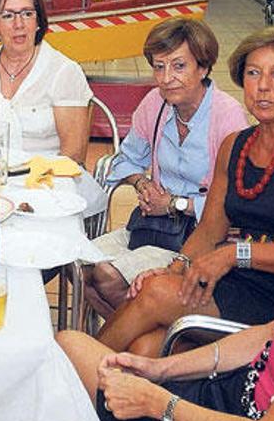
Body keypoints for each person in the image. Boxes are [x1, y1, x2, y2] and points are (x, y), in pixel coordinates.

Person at [56, 143, 274, 421]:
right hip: (230, 396)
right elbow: (269, 334)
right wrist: (160, 370)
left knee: (71, 355)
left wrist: (158, 403)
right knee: (80, 354)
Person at [96, 24, 274, 358]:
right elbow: (211, 230)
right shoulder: (236, 146)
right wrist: (176, 267)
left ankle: (68, 379)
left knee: (154, 294)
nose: (263, 87)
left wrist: (233, 254)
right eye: (253, 73)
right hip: (233, 279)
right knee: (145, 346)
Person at [85, 18, 249, 318]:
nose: (166, 78)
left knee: (106, 276)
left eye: (178, 66)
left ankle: (138, 337)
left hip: (199, 237)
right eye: (159, 66)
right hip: (152, 228)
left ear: (203, 68)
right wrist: (141, 184)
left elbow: (234, 203)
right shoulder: (154, 104)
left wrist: (174, 204)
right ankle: (142, 338)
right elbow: (126, 159)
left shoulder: (227, 117)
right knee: (80, 264)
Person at [0, 0, 92, 165]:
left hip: (48, 180)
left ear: (38, 22)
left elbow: (73, 154)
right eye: (7, 15)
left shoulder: (64, 72)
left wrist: (29, 181)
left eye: (27, 13)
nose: (19, 24)